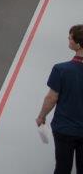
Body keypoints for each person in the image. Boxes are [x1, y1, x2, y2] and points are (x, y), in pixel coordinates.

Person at [36, 24, 83, 174]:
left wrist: (41, 116)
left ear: (78, 44)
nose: (68, 39)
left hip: (65, 129)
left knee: (63, 168)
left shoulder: (61, 69)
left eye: (70, 37)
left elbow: (51, 98)